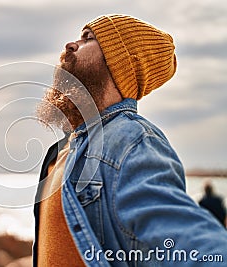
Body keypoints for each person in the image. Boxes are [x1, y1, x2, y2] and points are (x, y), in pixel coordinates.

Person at [34, 14, 227, 266]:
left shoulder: (130, 141)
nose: (71, 45)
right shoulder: (61, 150)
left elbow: (196, 248)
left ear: (120, 63)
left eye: (88, 38)